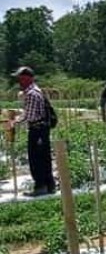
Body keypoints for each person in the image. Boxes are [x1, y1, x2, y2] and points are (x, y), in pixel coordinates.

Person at [8, 66, 56, 197]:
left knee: (36, 159)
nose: (19, 81)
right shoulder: (35, 91)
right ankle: (49, 186)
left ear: (27, 78)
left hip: (37, 130)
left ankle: (40, 186)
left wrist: (14, 122)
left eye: (20, 78)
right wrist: (18, 119)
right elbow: (28, 113)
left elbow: (30, 116)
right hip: (41, 129)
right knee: (44, 157)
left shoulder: (31, 94)